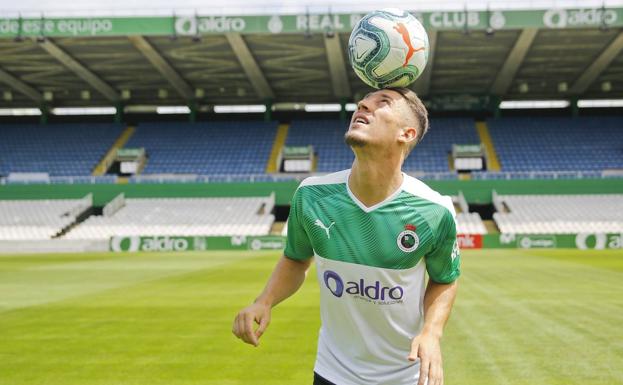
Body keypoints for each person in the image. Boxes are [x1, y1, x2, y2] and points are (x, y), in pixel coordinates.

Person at [232, 87, 460, 385]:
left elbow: (444, 278)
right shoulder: (312, 195)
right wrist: (264, 300)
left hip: (407, 374)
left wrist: (431, 332)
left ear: (407, 133)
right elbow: (295, 259)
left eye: (382, 104)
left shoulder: (434, 210)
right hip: (333, 372)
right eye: (362, 102)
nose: (363, 106)